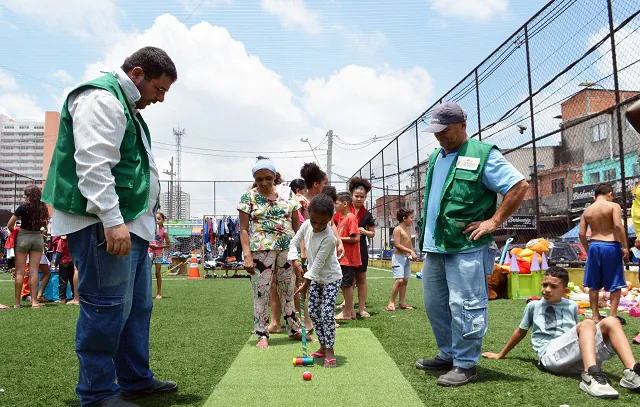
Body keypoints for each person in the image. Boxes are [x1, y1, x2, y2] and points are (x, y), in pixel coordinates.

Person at [41, 46, 178, 407]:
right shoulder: (102, 98)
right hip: (104, 224)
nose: (160, 99)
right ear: (137, 74)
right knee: (105, 307)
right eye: (159, 89)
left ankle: (134, 379)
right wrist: (112, 220)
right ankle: (98, 393)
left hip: (128, 224)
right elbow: (93, 162)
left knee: (135, 308)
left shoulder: (123, 103)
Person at [415, 102, 529, 387]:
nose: (439, 136)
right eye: (436, 131)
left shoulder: (483, 154)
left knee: (466, 305)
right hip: (435, 246)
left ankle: (466, 364)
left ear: (463, 126)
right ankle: (448, 353)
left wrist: (493, 221)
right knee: (435, 304)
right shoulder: (435, 158)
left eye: (445, 130)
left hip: (466, 247)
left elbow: (519, 186)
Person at [483, 266, 640, 399]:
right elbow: (521, 331)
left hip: (573, 358)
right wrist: (501, 354)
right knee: (587, 324)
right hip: (550, 357)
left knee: (612, 321)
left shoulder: (571, 305)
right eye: (544, 285)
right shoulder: (534, 306)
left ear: (565, 291)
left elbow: (575, 333)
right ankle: (590, 375)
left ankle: (632, 373)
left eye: (553, 287)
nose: (547, 290)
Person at [238, 157, 308, 349]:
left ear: (275, 176)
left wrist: (298, 251)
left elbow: (297, 224)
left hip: (286, 249)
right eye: (259, 179)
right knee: (261, 292)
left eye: (268, 178)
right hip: (260, 250)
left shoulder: (287, 194)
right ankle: (262, 333)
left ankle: (293, 329)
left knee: (289, 288)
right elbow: (243, 229)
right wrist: (247, 256)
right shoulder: (248, 197)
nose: (263, 183)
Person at [290, 193, 343, 368]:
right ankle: (321, 346)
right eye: (314, 221)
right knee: (313, 313)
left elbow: (318, 263)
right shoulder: (306, 226)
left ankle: (330, 349)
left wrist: (305, 284)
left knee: (326, 313)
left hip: (330, 278)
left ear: (330, 219)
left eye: (323, 223)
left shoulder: (329, 238)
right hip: (314, 277)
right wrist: (295, 261)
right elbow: (294, 243)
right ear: (309, 215)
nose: (317, 226)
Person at [578, 183, 628, 323]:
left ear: (595, 196)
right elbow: (618, 226)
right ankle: (612, 316)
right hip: (611, 245)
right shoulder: (613, 206)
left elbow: (581, 233)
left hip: (594, 245)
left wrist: (588, 249)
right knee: (615, 283)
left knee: (593, 284)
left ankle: (595, 316)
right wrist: (624, 246)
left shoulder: (587, 210)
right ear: (609, 194)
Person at [334, 177, 376, 318]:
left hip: (360, 249)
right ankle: (348, 306)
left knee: (361, 277)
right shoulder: (343, 210)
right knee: (347, 280)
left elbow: (372, 233)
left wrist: (365, 232)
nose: (359, 199)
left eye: (362, 197)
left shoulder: (367, 214)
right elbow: (334, 226)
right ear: (351, 195)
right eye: (356, 196)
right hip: (344, 250)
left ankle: (361, 308)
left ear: (365, 198)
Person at [8, 185, 50, 309]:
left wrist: (14, 232)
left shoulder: (22, 208)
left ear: (29, 195)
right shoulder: (43, 208)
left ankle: (17, 303)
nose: (23, 196)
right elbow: (44, 225)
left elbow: (10, 224)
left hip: (23, 236)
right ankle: (34, 302)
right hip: (37, 238)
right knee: (34, 271)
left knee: (20, 271)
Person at [334, 192, 361, 321]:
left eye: (336, 203)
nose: (335, 205)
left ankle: (347, 312)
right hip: (341, 258)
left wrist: (338, 238)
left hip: (348, 258)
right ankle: (350, 311)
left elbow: (356, 238)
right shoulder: (340, 218)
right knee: (344, 284)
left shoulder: (351, 217)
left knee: (347, 284)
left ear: (345, 204)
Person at [387, 208, 417, 311]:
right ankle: (391, 303)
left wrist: (413, 253)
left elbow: (409, 244)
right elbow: (397, 245)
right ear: (404, 218)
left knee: (405, 281)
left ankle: (401, 303)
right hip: (398, 258)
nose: (412, 220)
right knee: (399, 280)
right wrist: (411, 251)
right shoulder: (397, 229)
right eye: (411, 218)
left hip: (406, 258)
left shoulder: (407, 230)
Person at [149, 212, 170, 300]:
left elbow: (168, 245)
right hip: (149, 251)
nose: (157, 221)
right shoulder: (150, 229)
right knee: (146, 272)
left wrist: (158, 247)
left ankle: (159, 292)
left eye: (159, 219)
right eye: (155, 219)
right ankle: (146, 293)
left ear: (163, 220)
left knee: (158, 273)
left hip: (159, 253)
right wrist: (150, 245)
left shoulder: (164, 232)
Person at [55, 235, 79, 304]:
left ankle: (62, 298)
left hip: (63, 263)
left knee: (63, 281)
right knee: (72, 281)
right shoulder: (73, 240)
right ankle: (75, 296)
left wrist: (56, 264)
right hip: (72, 261)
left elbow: (59, 253)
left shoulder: (61, 241)